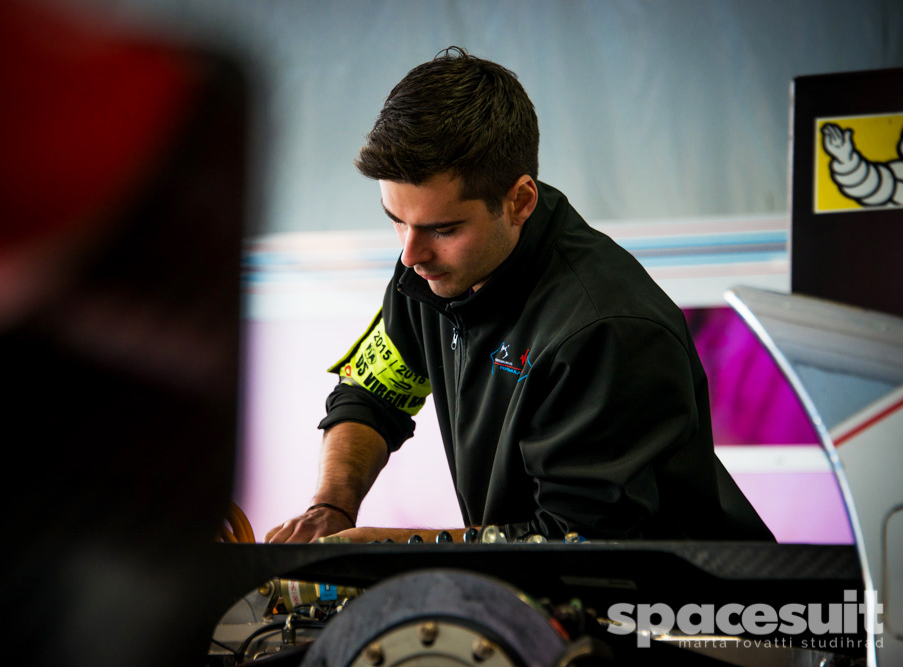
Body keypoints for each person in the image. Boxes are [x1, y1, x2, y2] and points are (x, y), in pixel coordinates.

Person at [266, 47, 774, 544]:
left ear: (520, 201)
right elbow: (372, 392)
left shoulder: (606, 328)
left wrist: (386, 552)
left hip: (680, 614)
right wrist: (331, 507)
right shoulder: (428, 273)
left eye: (442, 228)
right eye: (396, 221)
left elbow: (579, 545)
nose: (410, 255)